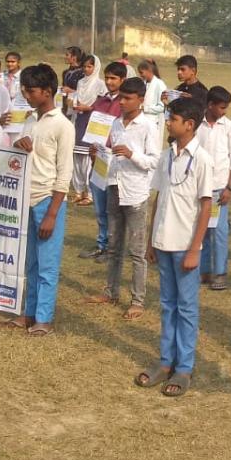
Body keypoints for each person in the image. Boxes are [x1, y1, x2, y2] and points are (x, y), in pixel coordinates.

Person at [134, 97, 213, 398]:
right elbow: (159, 198)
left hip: (185, 245)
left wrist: (195, 249)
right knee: (167, 304)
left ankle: (185, 367)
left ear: (189, 125)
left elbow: (206, 207)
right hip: (163, 241)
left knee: (186, 307)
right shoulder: (166, 155)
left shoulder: (202, 159)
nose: (168, 123)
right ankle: (166, 361)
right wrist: (151, 240)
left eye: (173, 119)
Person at [1, 65, 73, 336]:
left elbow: (64, 174)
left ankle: (44, 318)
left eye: (31, 91)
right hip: (26, 198)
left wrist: (52, 213)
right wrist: (18, 145)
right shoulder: (30, 120)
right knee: (30, 262)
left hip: (47, 199)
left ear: (47, 91)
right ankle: (28, 312)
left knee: (47, 264)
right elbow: (20, 155)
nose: (26, 95)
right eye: (24, 90)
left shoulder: (63, 126)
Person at [85, 77, 161, 319]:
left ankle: (137, 300)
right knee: (114, 245)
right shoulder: (116, 123)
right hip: (114, 186)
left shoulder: (148, 126)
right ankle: (111, 292)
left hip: (136, 192)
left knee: (137, 251)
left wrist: (131, 155)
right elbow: (112, 156)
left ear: (141, 100)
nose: (123, 102)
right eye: (121, 98)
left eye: (128, 98)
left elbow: (154, 161)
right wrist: (97, 155)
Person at [78, 62, 126, 261]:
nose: (109, 82)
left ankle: (113, 249)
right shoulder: (100, 101)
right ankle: (101, 245)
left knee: (112, 209)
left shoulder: (125, 103)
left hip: (115, 162)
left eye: (114, 78)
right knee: (99, 207)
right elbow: (93, 130)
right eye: (107, 77)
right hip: (98, 160)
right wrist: (92, 148)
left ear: (122, 80)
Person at [197, 86, 231, 290]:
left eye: (226, 107)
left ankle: (220, 272)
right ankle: (204, 270)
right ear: (210, 105)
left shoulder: (228, 127)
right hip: (200, 187)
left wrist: (229, 187)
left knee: (219, 232)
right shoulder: (197, 124)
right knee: (201, 230)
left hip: (219, 189)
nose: (224, 111)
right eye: (221, 107)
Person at [68, 55, 107, 207]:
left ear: (95, 67)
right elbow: (76, 98)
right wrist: (73, 103)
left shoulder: (100, 84)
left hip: (92, 122)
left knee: (89, 159)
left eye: (89, 66)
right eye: (84, 66)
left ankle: (90, 193)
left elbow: (102, 105)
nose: (86, 69)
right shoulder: (80, 82)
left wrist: (89, 108)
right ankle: (79, 191)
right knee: (77, 157)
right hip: (79, 119)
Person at [138, 59, 168, 135]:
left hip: (153, 122)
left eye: (141, 72)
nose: (140, 75)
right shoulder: (143, 83)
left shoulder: (160, 84)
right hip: (142, 120)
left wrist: (145, 108)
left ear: (149, 70)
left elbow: (162, 107)